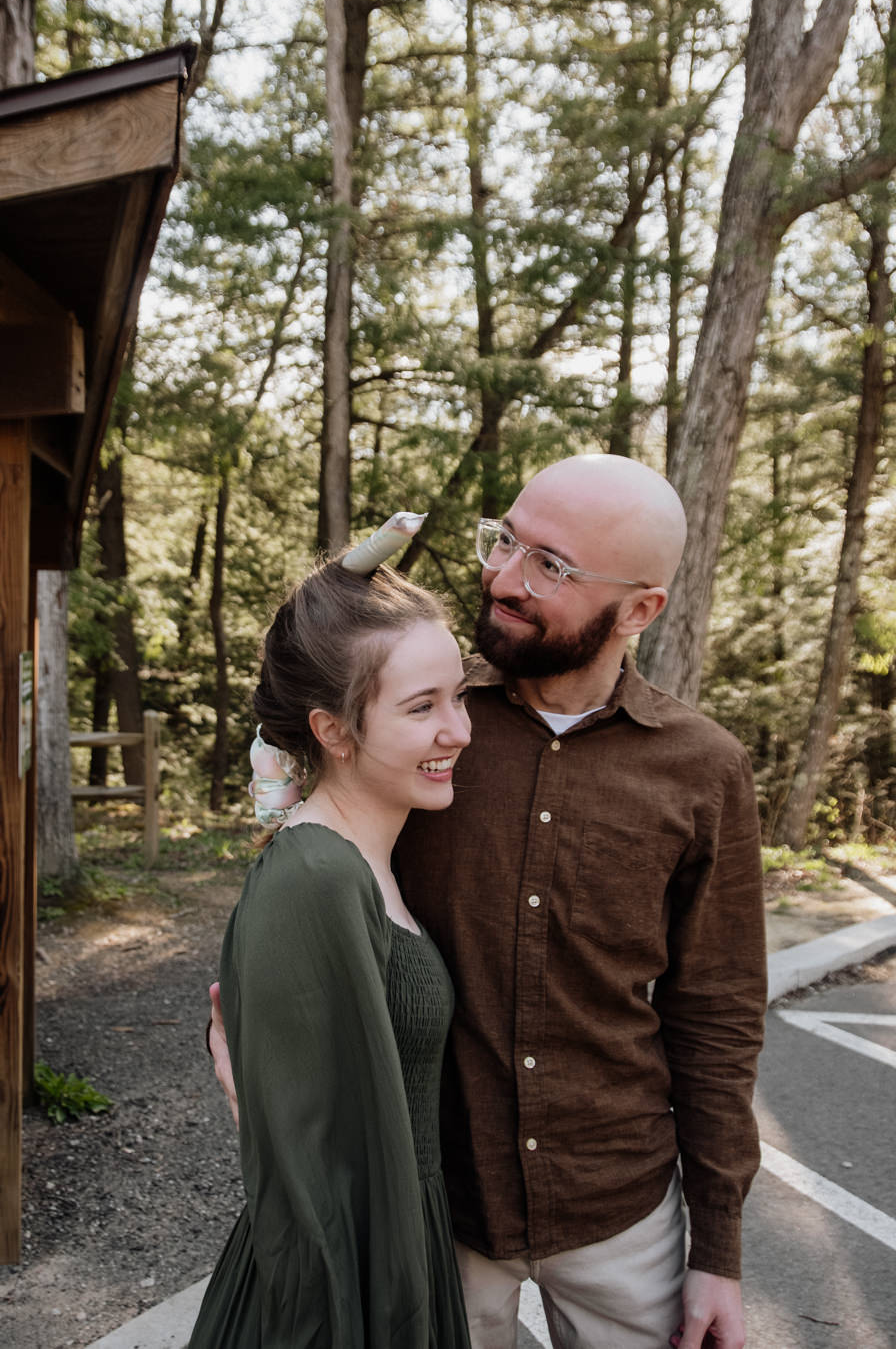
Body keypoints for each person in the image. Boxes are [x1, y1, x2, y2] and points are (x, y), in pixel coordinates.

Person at [394, 454, 766, 1349]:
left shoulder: (704, 769)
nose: (504, 579)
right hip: (439, 1197)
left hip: (619, 1207)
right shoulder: (418, 723)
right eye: (506, 542)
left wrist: (717, 1248)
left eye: (550, 567)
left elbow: (715, 1016)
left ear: (639, 610)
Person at [189, 536, 473, 1349]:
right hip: (341, 1290)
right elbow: (312, 1188)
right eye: (422, 708)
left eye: (459, 697)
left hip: (396, 1244)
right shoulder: (315, 874)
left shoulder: (372, 856)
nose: (457, 729)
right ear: (333, 730)